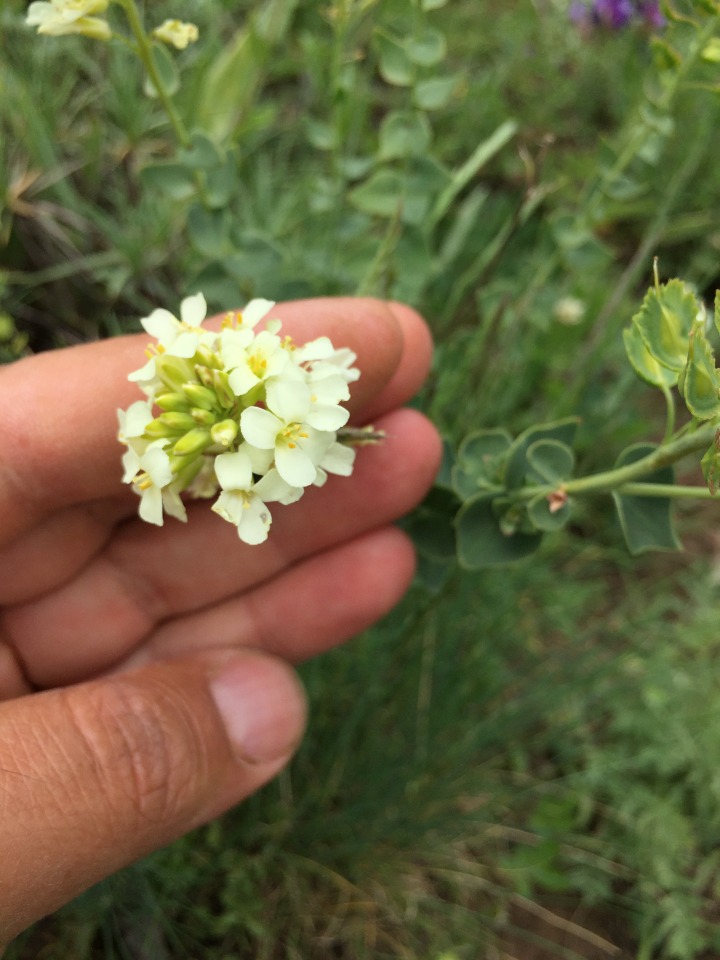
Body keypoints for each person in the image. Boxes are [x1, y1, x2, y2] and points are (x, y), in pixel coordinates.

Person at [0, 296, 441, 946]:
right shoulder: (221, 446)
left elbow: (251, 444)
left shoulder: (251, 429)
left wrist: (268, 427)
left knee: (376, 379)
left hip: (266, 417)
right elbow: (230, 450)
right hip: (247, 429)